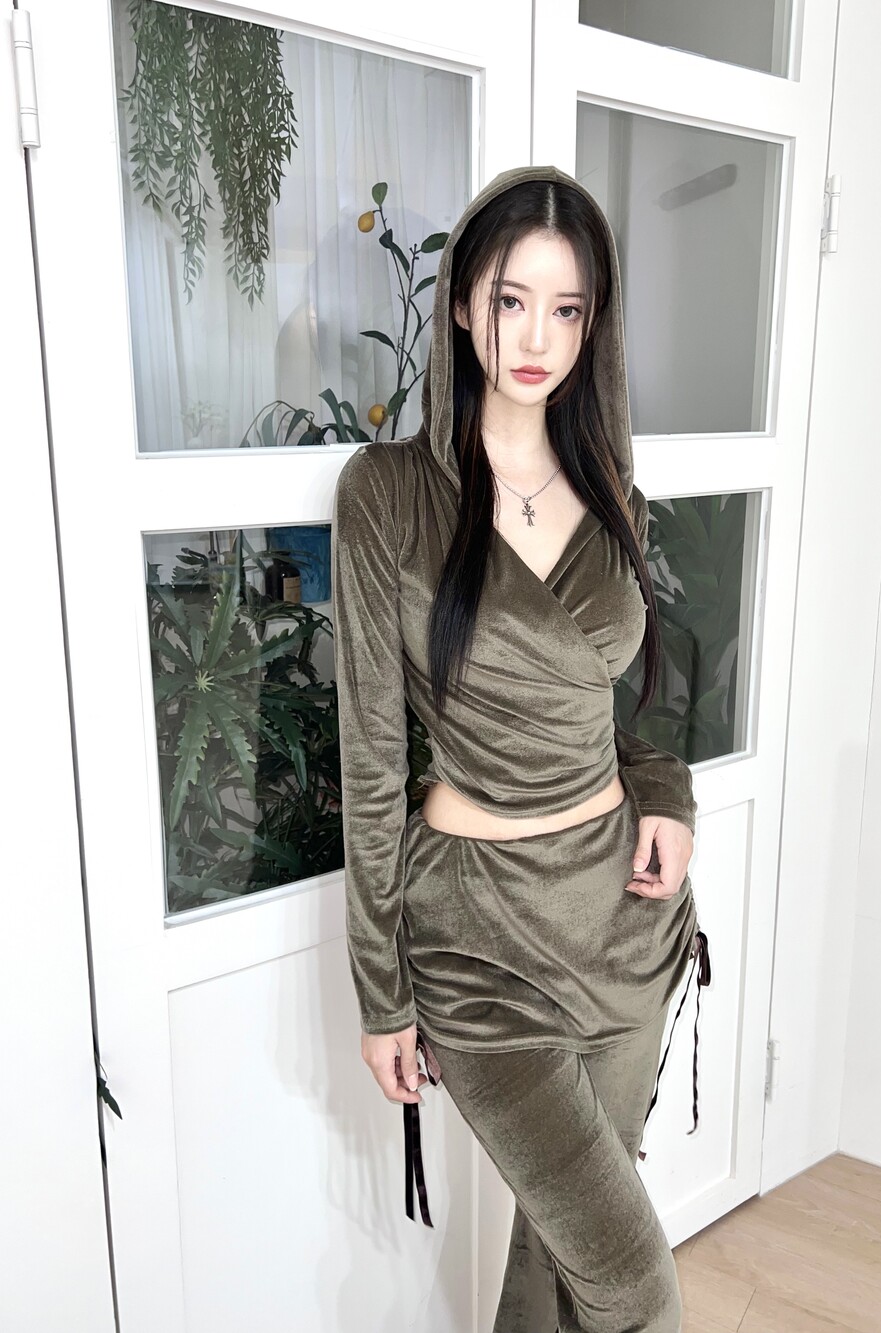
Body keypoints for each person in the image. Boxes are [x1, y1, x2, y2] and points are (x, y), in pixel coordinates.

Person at [332, 163, 711, 1333]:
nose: (536, 336)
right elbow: (371, 763)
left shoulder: (609, 488)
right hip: (479, 942)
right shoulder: (389, 495)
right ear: (462, 303)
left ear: (593, 326)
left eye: (566, 308)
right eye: (510, 299)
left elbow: (607, 706)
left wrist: (664, 788)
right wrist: (382, 994)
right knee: (633, 1284)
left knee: (558, 1257)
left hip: (620, 917)